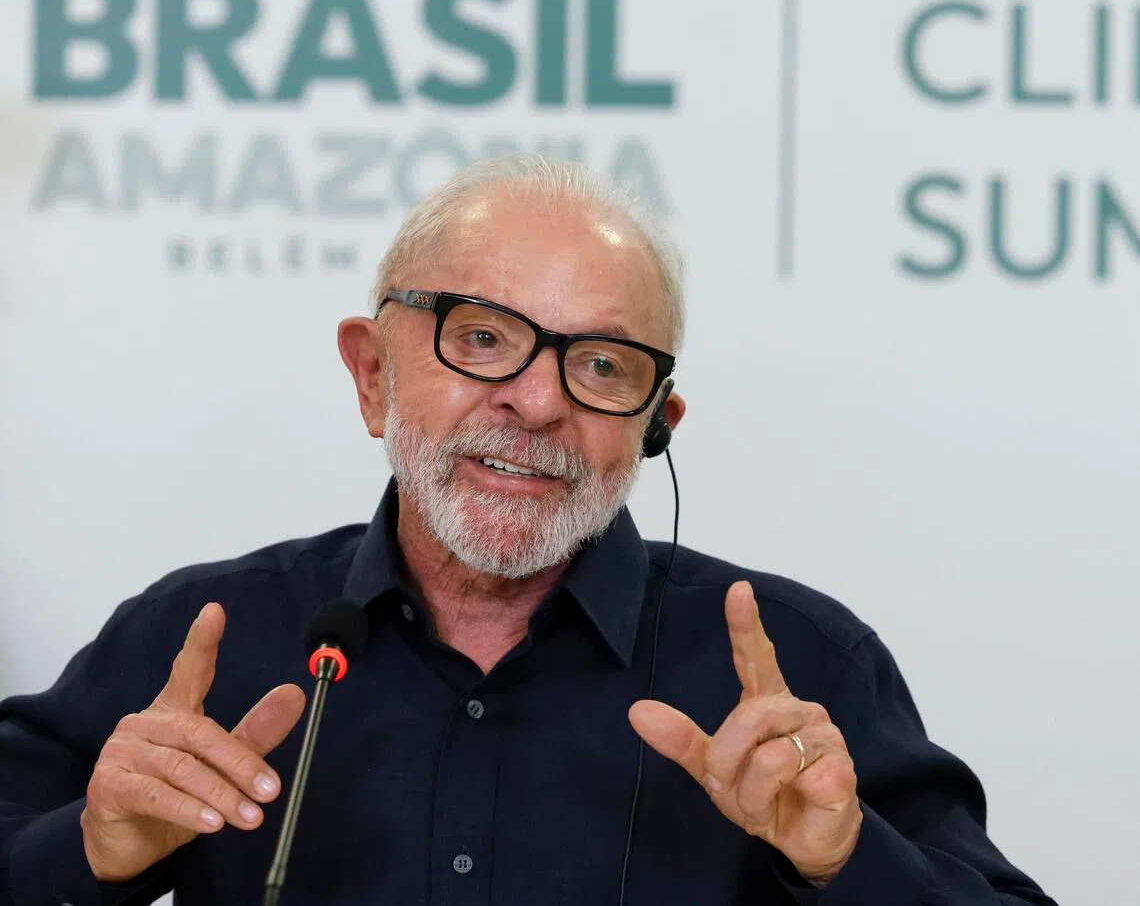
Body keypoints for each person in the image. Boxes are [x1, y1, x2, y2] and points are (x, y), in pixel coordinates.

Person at [0, 155, 1055, 906]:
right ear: (373, 373)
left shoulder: (799, 673)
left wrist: (843, 862)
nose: (538, 403)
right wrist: (88, 854)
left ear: (655, 427)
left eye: (601, 366)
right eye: (484, 336)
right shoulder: (211, 636)